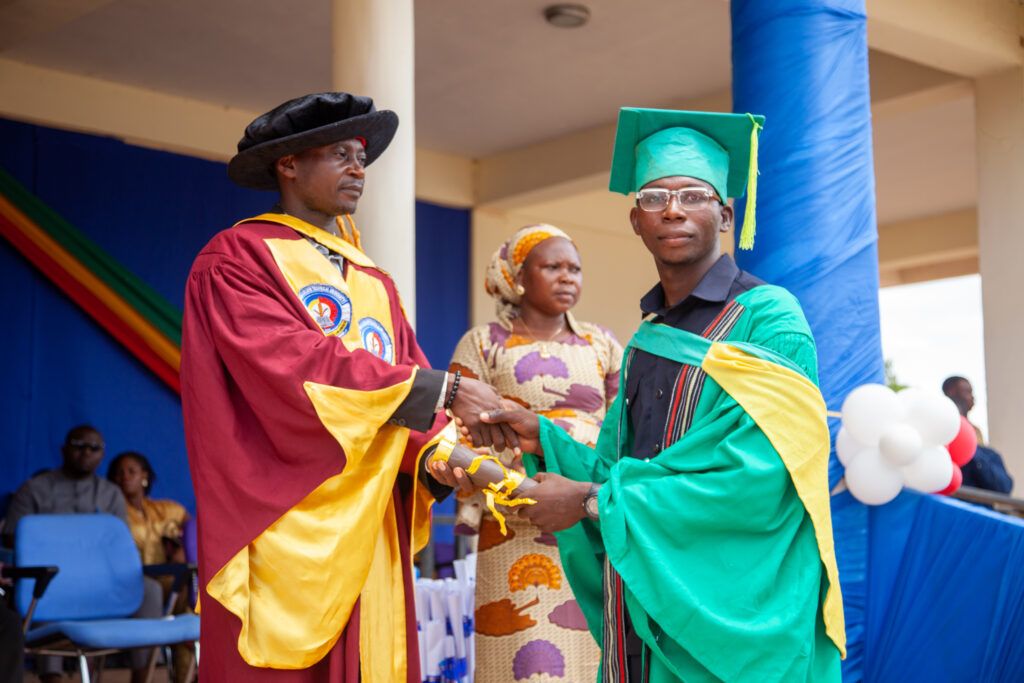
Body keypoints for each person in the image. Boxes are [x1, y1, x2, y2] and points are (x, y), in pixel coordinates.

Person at [475, 108, 846, 682]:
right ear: (635, 220)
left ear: (725, 215)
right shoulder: (647, 338)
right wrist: (543, 437)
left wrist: (592, 501)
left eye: (694, 195)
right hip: (648, 604)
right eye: (654, 197)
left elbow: (758, 477)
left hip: (737, 610)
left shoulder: (769, 320)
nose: (672, 209)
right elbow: (617, 466)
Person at [180, 91, 504, 682]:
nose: (360, 169)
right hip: (288, 519)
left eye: (362, 157)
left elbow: (406, 394)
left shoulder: (373, 279)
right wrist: (446, 390)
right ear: (289, 164)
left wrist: (450, 459)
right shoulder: (238, 258)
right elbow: (294, 365)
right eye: (340, 155)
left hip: (371, 517)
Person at [448, 224, 621, 683]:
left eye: (574, 269)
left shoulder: (602, 343)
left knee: (595, 654)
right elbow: (458, 432)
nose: (567, 277)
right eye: (552, 267)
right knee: (521, 661)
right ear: (519, 277)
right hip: (512, 522)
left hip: (587, 518)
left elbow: (622, 431)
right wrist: (515, 487)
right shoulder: (483, 343)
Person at [3, 426, 163, 683]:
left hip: (101, 583)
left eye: (94, 447)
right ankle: (52, 678)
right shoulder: (35, 488)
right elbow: (12, 536)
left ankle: (142, 676)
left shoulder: (111, 493)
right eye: (79, 445)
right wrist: (64, 544)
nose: (86, 452)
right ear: (64, 449)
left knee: (151, 589)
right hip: (54, 581)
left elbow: (118, 543)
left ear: (102, 455)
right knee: (45, 591)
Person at [942, 376, 1013, 494]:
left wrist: (970, 449)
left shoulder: (986, 453)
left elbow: (1004, 487)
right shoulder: (938, 446)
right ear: (951, 392)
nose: (972, 397)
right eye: (967, 392)